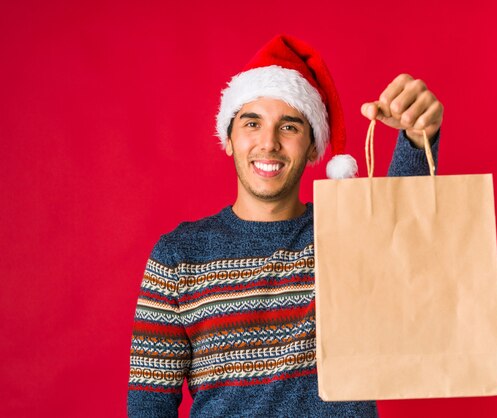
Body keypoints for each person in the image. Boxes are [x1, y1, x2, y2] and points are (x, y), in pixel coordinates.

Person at [128, 35, 443, 417]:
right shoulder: (178, 257)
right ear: (228, 138)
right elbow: (149, 406)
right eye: (252, 123)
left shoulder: (344, 234)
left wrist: (416, 134)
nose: (269, 143)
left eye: (289, 127)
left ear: (313, 147)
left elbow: (403, 229)